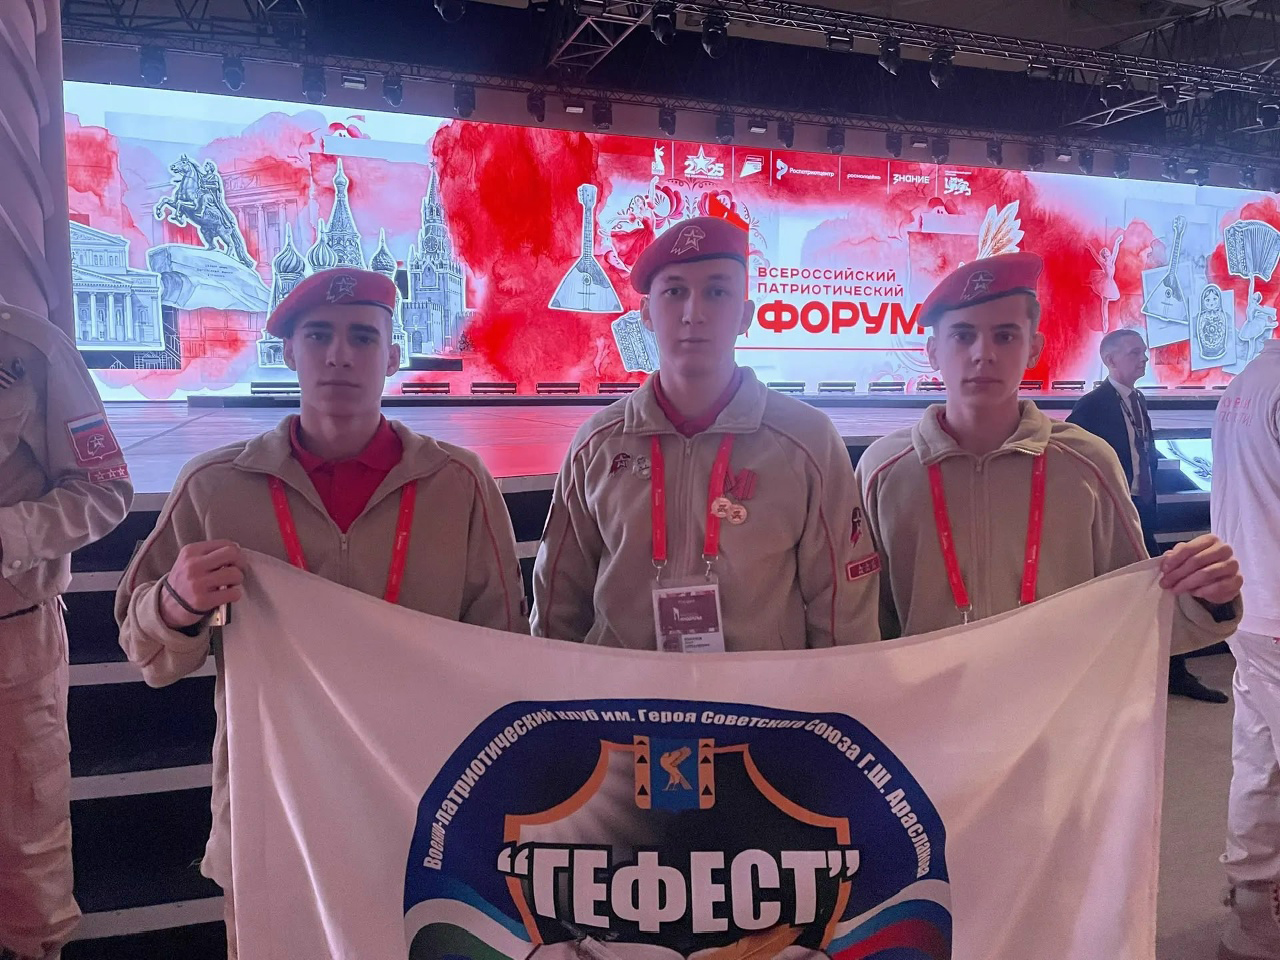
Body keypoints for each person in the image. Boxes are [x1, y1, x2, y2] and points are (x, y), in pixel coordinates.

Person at [115, 268, 525, 958]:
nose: (339, 355)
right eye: (318, 336)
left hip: (417, 808)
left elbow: (504, 650)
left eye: (362, 337)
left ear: (393, 356)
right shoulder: (216, 487)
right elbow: (142, 644)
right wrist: (174, 604)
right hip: (272, 813)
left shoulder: (458, 485)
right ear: (288, 353)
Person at [856, 252, 1242, 652]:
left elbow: (1135, 610)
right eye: (963, 335)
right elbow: (861, 625)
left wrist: (1206, 599)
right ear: (933, 351)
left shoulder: (1087, 464)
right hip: (929, 691)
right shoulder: (885, 471)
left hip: (1061, 692)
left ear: (1034, 348)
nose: (983, 353)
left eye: (1005, 336)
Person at [532, 216, 881, 651]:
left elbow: (843, 608)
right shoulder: (598, 445)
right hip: (623, 690)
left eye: (716, 292)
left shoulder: (807, 443)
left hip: (756, 693)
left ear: (745, 315)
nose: (693, 314)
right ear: (646, 314)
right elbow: (557, 603)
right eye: (674, 292)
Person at [0, 301, 133, 960]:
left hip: (11, 641)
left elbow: (105, 489)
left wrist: (8, 535)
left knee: (29, 872)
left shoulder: (32, 348)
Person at [1067, 328, 1227, 703]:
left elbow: (1142, 451)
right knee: (1149, 590)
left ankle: (1170, 672)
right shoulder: (1092, 405)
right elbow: (1073, 458)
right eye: (1134, 352)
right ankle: (1159, 674)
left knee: (1160, 588)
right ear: (1110, 360)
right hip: (1115, 514)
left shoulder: (1137, 399)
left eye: (1143, 351)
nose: (1143, 358)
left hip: (1143, 510)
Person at [1212, 335, 1280, 960]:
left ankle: (1252, 916)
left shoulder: (1246, 380)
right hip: (1277, 607)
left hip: (1248, 603)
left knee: (1258, 759)